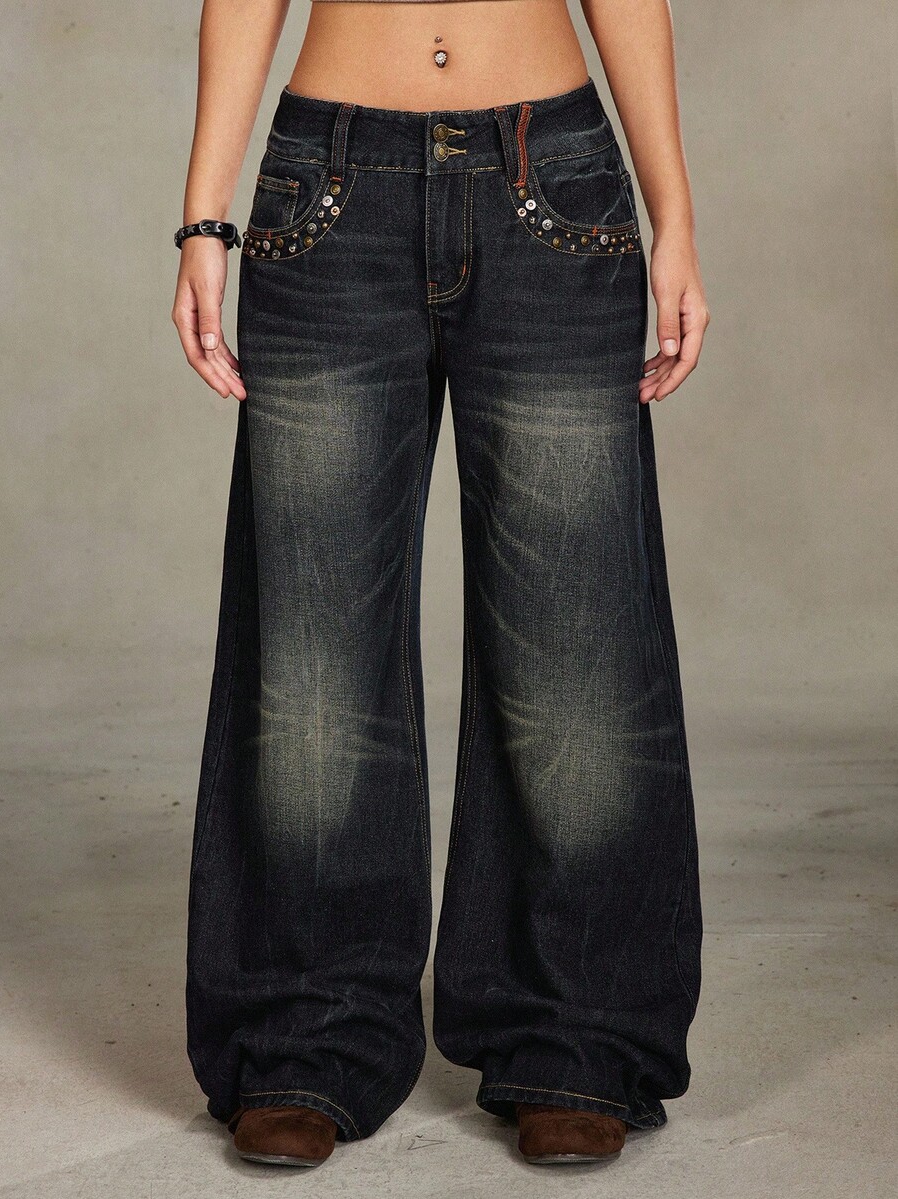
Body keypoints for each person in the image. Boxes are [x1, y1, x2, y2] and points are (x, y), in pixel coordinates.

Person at [172, 0, 710, 1171]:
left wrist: (674, 215)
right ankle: (305, 1034)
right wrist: (205, 217)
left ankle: (574, 1037)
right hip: (327, 190)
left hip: (551, 183)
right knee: (312, 653)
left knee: (576, 646)